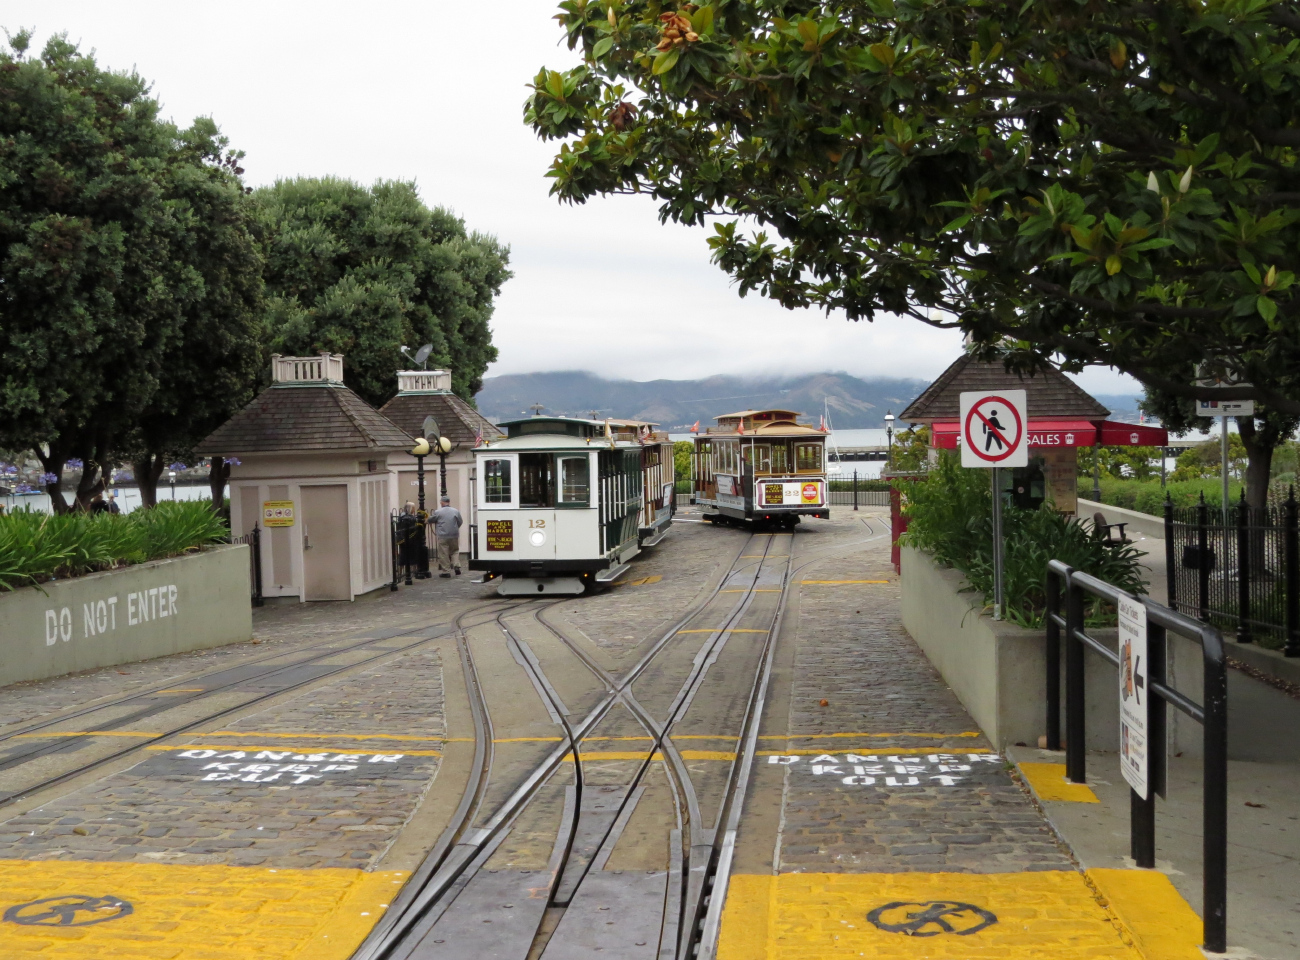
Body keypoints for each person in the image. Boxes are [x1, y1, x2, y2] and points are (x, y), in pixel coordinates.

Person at [431, 495, 463, 577]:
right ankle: (456, 566)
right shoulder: (455, 511)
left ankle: (446, 571)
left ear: (442, 502)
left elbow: (431, 519)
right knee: (455, 551)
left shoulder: (438, 512)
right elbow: (460, 521)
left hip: (443, 535)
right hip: (454, 535)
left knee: (443, 553)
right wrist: (455, 528)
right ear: (449, 502)